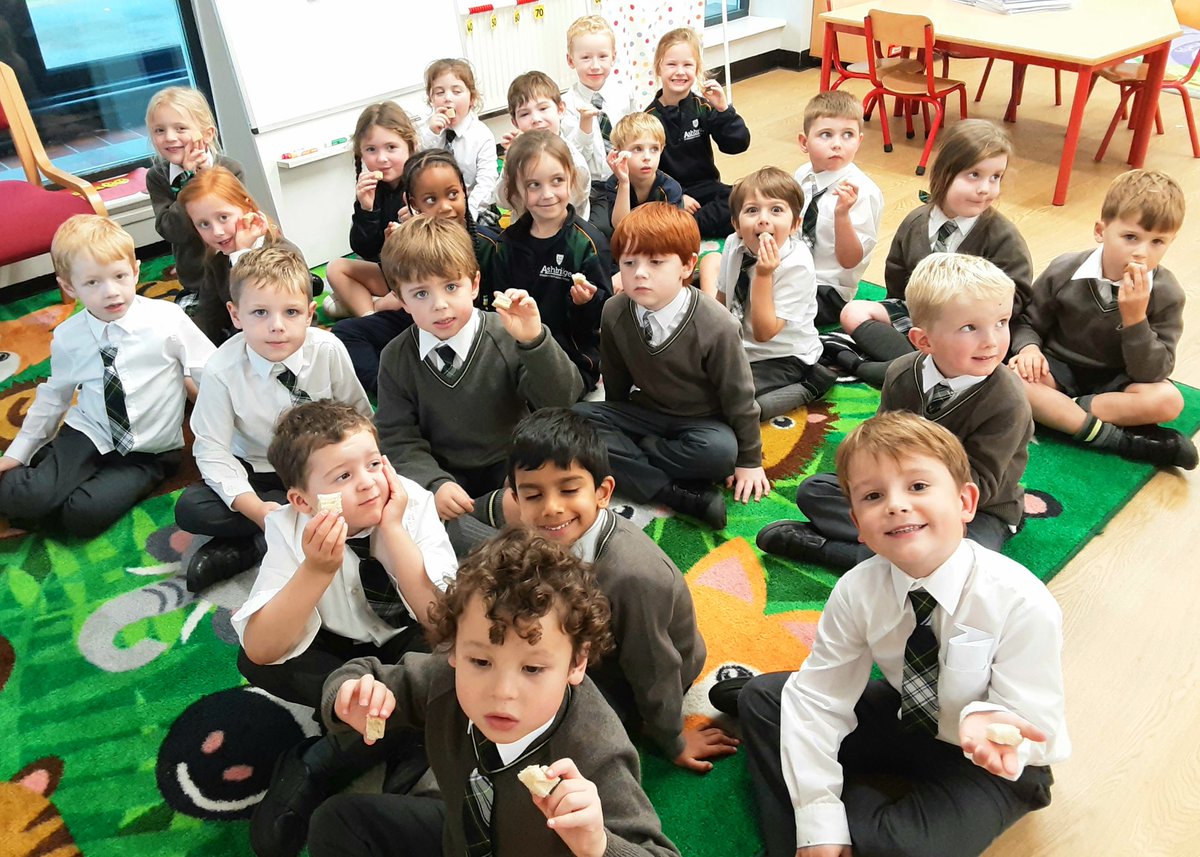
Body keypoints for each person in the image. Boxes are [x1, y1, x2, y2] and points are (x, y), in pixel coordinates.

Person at [731, 412, 1069, 857]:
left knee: (901, 848)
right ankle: (811, 843)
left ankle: (842, 820)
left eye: (918, 486)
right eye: (873, 495)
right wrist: (821, 821)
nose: (896, 504)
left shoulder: (1021, 600)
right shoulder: (858, 588)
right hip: (908, 715)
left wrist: (992, 721)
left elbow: (1035, 720)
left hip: (988, 762)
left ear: (967, 502)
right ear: (857, 523)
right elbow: (818, 696)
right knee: (766, 698)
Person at [306, 527, 681, 857]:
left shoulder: (596, 751)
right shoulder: (444, 679)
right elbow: (364, 673)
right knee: (335, 822)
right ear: (453, 649)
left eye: (532, 668)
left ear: (577, 664)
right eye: (481, 663)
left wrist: (597, 845)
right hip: (458, 839)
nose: (502, 693)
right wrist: (348, 696)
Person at [233, 400, 456, 856]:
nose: (369, 483)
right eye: (342, 477)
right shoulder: (289, 525)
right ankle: (403, 733)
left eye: (373, 463)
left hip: (409, 641)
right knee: (259, 657)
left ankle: (322, 760)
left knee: (460, 661)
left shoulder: (409, 502)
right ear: (302, 500)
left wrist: (392, 531)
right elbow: (260, 648)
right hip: (338, 653)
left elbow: (443, 624)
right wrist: (316, 570)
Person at [759, 254, 1032, 569]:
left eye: (1001, 323)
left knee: (959, 563)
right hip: (898, 491)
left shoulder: (1007, 401)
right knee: (815, 491)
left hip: (973, 508)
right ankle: (897, 546)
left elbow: (981, 485)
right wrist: (884, 493)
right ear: (923, 340)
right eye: (970, 327)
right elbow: (882, 444)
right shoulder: (902, 373)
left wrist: (913, 498)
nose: (992, 341)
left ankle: (829, 550)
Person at [503, 408, 737, 771]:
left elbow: (655, 667)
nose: (551, 508)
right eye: (532, 495)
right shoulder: (542, 538)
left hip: (640, 675)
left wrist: (672, 738)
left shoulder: (634, 576)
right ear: (515, 500)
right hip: (592, 645)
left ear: (603, 492)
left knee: (557, 728)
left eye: (568, 490)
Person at [0, 215, 214, 536]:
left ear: (136, 271)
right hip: (89, 432)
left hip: (148, 453)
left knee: (82, 517)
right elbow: (54, 398)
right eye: (92, 283)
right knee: (26, 499)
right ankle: (46, 470)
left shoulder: (168, 319)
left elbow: (213, 372)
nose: (111, 292)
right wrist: (18, 453)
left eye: (119, 276)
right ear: (69, 287)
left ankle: (54, 473)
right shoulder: (69, 337)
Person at [373, 215, 582, 541]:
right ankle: (498, 542)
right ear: (400, 300)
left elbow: (562, 398)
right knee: (417, 520)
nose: (440, 305)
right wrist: (435, 484)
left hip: (512, 466)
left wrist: (534, 341)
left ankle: (501, 528)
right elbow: (398, 439)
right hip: (448, 476)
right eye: (421, 294)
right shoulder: (395, 358)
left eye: (451, 287)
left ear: (474, 284)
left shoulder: (506, 332)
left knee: (552, 488)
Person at [176, 246, 372, 593]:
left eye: (291, 312)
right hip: (262, 473)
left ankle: (251, 546)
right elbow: (212, 450)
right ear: (236, 315)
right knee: (192, 508)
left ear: (311, 314)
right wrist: (257, 511)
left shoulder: (328, 350)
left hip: (325, 473)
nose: (277, 326)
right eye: (260, 313)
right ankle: (279, 529)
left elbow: (359, 415)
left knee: (368, 492)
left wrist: (346, 477)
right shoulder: (222, 369)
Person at [574, 203, 768, 530]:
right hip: (645, 412)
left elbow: (739, 397)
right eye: (629, 262)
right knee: (576, 420)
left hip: (701, 422)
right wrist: (618, 427)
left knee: (721, 453)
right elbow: (616, 384)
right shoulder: (614, 310)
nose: (640, 273)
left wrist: (750, 461)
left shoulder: (716, 325)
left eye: (656, 262)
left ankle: (637, 465)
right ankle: (671, 491)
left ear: (687, 265)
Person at [1009, 168, 1197, 469]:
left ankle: (1062, 417)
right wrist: (1028, 350)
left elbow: (1153, 373)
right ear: (1101, 231)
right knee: (1012, 377)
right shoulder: (1065, 270)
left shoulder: (1167, 292)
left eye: (1157, 242)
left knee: (1169, 400)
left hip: (1117, 381)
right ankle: (1111, 435)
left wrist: (1135, 319)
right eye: (1130, 237)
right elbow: (1026, 322)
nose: (1141, 252)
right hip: (1058, 370)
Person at [831, 120, 1031, 387]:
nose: (985, 188)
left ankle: (892, 369)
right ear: (944, 173)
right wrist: (903, 314)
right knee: (852, 312)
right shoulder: (916, 221)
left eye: (995, 177)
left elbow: (1017, 297)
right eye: (974, 175)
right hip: (919, 317)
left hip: (968, 329)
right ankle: (920, 366)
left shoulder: (1002, 236)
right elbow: (897, 274)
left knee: (961, 347)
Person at [332, 148, 500, 394]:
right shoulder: (411, 239)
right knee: (346, 332)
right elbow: (398, 288)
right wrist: (394, 251)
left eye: (453, 194)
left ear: (464, 193)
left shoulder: (489, 246)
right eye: (431, 200)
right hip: (421, 321)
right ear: (413, 205)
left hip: (471, 329)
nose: (445, 207)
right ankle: (397, 392)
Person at [483, 131, 611, 394]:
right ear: (516, 190)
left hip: (573, 361)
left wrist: (586, 301)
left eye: (557, 181)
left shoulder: (588, 242)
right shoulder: (507, 244)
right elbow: (498, 311)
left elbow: (604, 316)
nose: (548, 194)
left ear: (571, 180)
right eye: (534, 185)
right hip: (518, 356)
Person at [714, 166, 836, 420]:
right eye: (752, 210)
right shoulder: (733, 244)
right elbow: (722, 298)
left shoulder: (797, 264)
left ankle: (811, 385)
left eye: (776, 210)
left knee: (732, 407)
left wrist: (763, 275)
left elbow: (764, 333)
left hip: (783, 357)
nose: (763, 219)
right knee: (687, 385)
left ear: (795, 224)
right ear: (736, 224)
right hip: (738, 347)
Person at [178, 166, 307, 345]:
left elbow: (262, 304)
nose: (217, 232)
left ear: (246, 207)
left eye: (223, 217)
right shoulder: (218, 263)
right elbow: (208, 318)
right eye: (203, 224)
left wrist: (241, 254)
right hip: (244, 345)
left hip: (285, 342)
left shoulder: (285, 253)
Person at [145, 86, 244, 313]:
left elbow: (239, 224)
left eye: (180, 128)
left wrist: (204, 177)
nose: (169, 137)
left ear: (207, 134)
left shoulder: (230, 169)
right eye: (159, 130)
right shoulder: (158, 177)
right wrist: (189, 182)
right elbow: (172, 231)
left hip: (237, 275)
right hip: (197, 283)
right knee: (195, 332)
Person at [645, 27, 751, 238]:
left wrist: (724, 111)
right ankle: (692, 227)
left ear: (697, 69)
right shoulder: (649, 118)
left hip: (707, 188)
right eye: (671, 64)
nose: (680, 71)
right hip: (669, 197)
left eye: (687, 65)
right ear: (658, 69)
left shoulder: (703, 107)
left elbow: (737, 144)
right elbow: (646, 174)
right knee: (653, 219)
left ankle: (689, 228)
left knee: (746, 198)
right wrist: (678, 197)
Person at [791, 90, 883, 326]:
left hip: (828, 290)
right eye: (826, 135)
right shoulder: (802, 176)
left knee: (772, 307)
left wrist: (841, 215)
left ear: (859, 141)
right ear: (804, 142)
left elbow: (850, 260)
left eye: (848, 135)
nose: (837, 145)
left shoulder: (863, 191)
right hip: (792, 270)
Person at [323, 102, 419, 319]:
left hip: (423, 275)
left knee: (333, 306)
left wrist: (412, 226)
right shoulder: (372, 189)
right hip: (390, 274)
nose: (381, 159)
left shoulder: (422, 181)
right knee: (335, 268)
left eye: (391, 148)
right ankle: (370, 316)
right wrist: (366, 209)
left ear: (410, 146)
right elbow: (364, 250)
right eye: (371, 150)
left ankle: (372, 304)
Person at [560, 14, 642, 237]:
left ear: (613, 57)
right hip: (594, 187)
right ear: (571, 60)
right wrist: (584, 125)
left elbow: (639, 132)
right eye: (585, 58)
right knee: (601, 231)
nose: (595, 66)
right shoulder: (567, 105)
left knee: (651, 218)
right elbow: (574, 153)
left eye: (603, 56)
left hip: (630, 177)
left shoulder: (623, 94)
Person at [496, 70, 593, 220]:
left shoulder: (575, 162)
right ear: (515, 122)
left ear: (560, 110)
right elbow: (502, 202)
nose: (536, 119)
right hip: (525, 233)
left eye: (543, 109)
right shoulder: (517, 158)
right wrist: (510, 161)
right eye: (524, 114)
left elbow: (562, 209)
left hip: (565, 234)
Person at [416, 58, 498, 219]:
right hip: (436, 210)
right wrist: (432, 134)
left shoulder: (481, 135)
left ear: (472, 99)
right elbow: (417, 167)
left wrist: (467, 214)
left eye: (457, 91)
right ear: (431, 100)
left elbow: (486, 182)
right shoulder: (428, 131)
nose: (448, 98)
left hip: (475, 210)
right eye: (440, 92)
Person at [603, 112, 683, 232]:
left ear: (662, 149)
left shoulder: (670, 188)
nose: (647, 157)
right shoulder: (614, 183)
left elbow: (674, 233)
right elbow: (620, 227)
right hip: (628, 243)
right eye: (637, 149)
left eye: (654, 149)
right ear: (618, 151)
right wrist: (624, 183)